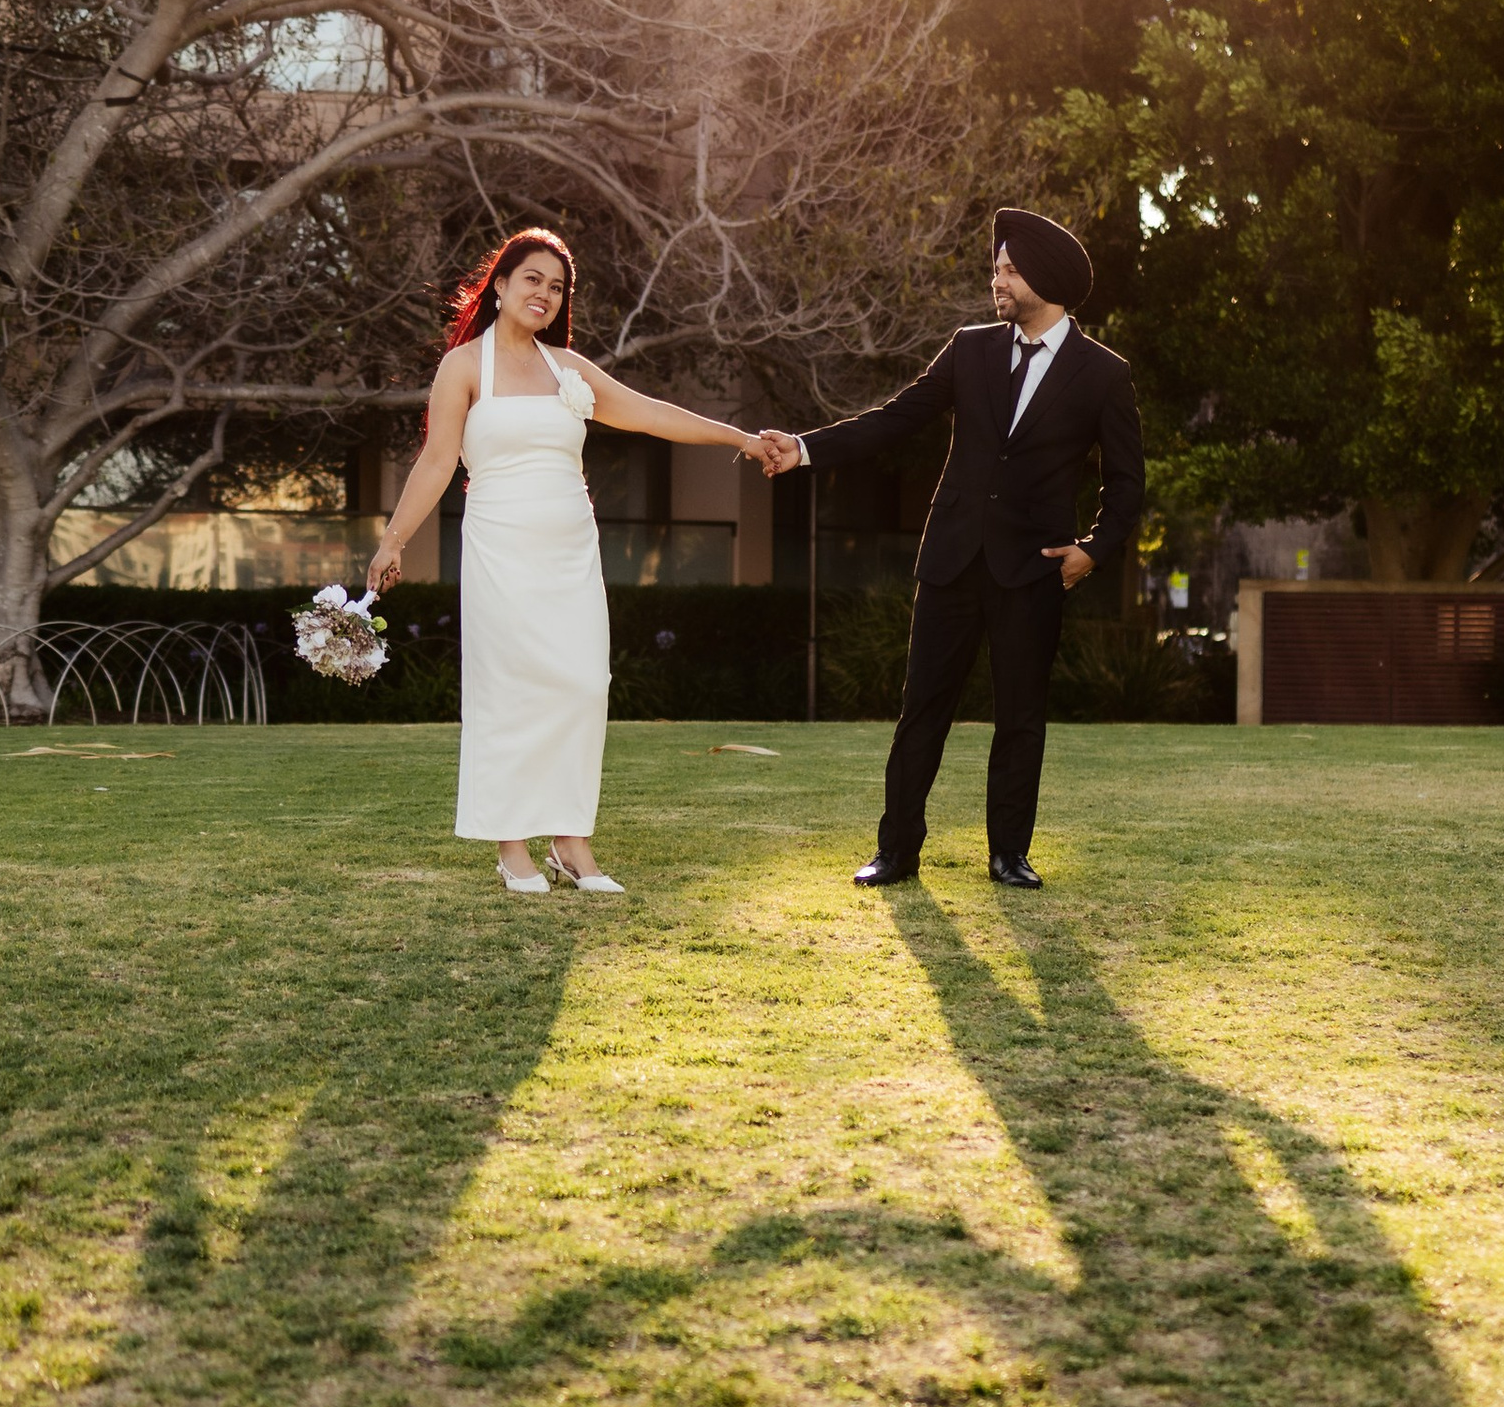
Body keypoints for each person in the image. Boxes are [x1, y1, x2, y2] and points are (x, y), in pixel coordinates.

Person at [367, 227, 765, 894]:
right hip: (501, 546)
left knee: (582, 685)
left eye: (556, 287)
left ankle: (572, 842)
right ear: (499, 285)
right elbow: (437, 461)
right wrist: (392, 540)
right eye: (532, 280)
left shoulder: (568, 370)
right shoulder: (464, 367)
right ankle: (511, 844)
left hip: (571, 549)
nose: (543, 294)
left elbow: (650, 414)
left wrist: (743, 439)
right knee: (509, 689)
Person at [757, 208, 1143, 888]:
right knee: (921, 712)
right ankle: (896, 852)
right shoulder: (969, 349)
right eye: (997, 267)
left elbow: (1127, 483)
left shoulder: (1103, 374)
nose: (996, 279)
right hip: (951, 561)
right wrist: (805, 449)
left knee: (1021, 719)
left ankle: (1009, 856)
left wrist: (1094, 550)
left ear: (1042, 280)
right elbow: (895, 419)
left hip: (1035, 573)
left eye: (1008, 270)